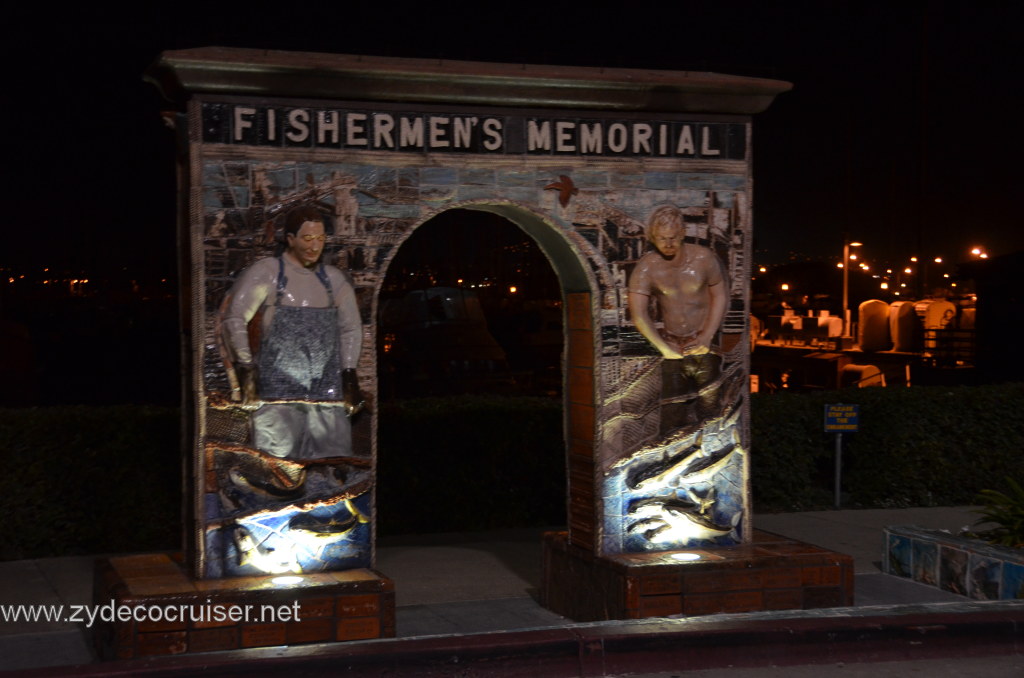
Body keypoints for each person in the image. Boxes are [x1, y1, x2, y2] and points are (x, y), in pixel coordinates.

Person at [221, 204, 363, 459]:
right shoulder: (268, 273)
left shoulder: (334, 280)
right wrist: (247, 369)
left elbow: (350, 328)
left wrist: (349, 374)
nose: (314, 246)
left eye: (320, 238)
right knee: (276, 465)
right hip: (278, 394)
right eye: (307, 238)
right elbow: (234, 318)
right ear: (290, 239)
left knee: (334, 463)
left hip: (326, 394)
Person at [628, 205, 728, 434]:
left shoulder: (703, 258)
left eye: (673, 237)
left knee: (711, 413)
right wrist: (664, 348)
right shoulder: (647, 268)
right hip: (672, 348)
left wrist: (707, 336)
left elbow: (720, 295)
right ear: (653, 238)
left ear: (682, 233)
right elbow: (638, 314)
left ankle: (710, 455)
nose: (668, 244)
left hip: (703, 347)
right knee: (672, 415)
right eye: (662, 239)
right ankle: (671, 459)